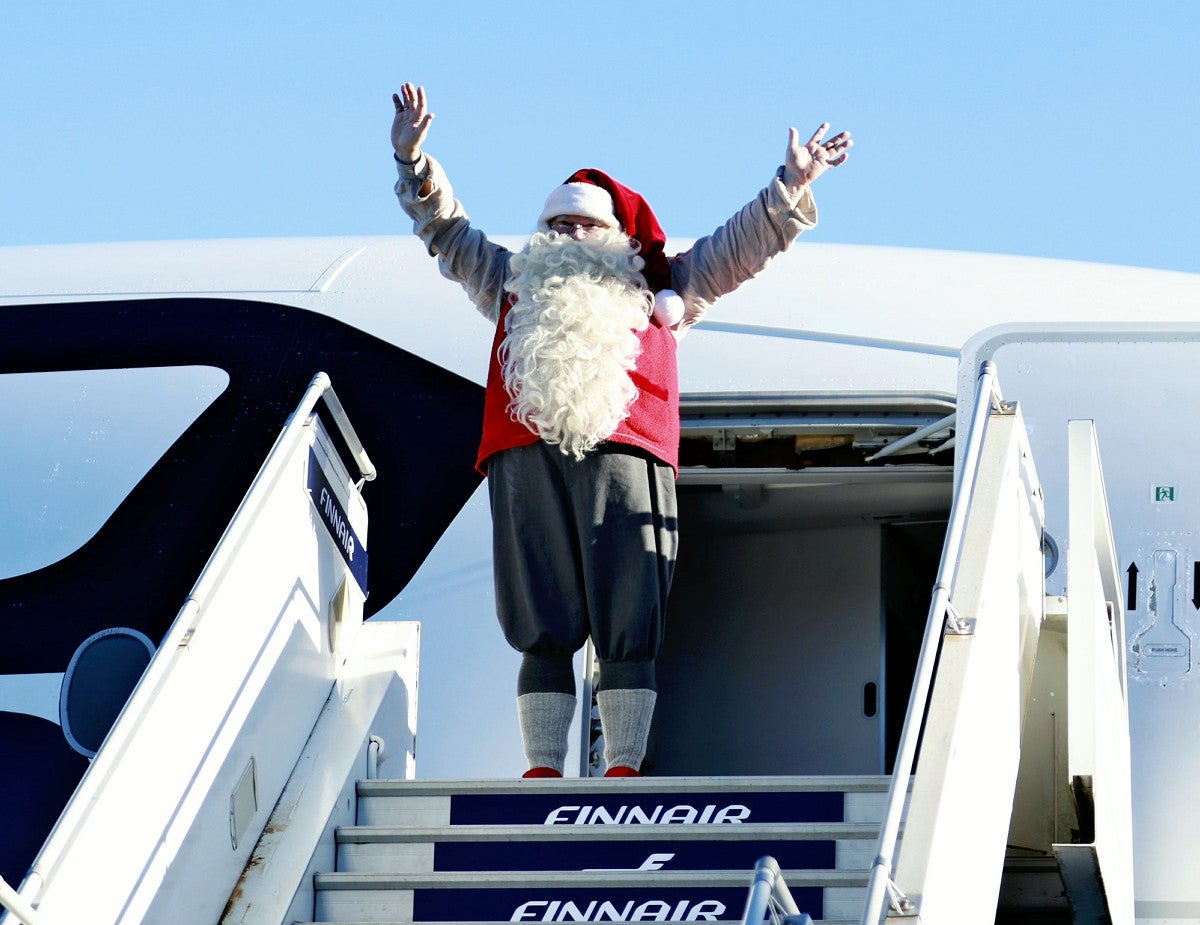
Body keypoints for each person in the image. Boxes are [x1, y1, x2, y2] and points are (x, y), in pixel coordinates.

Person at [390, 82, 851, 778]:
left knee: (629, 612)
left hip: (627, 455)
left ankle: (624, 762)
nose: (567, 236)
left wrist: (792, 183)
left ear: (616, 238)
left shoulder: (665, 288)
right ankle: (543, 763)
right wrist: (416, 164)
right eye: (555, 226)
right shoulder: (512, 284)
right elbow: (448, 233)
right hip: (526, 459)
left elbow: (740, 246)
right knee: (538, 617)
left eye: (582, 225)